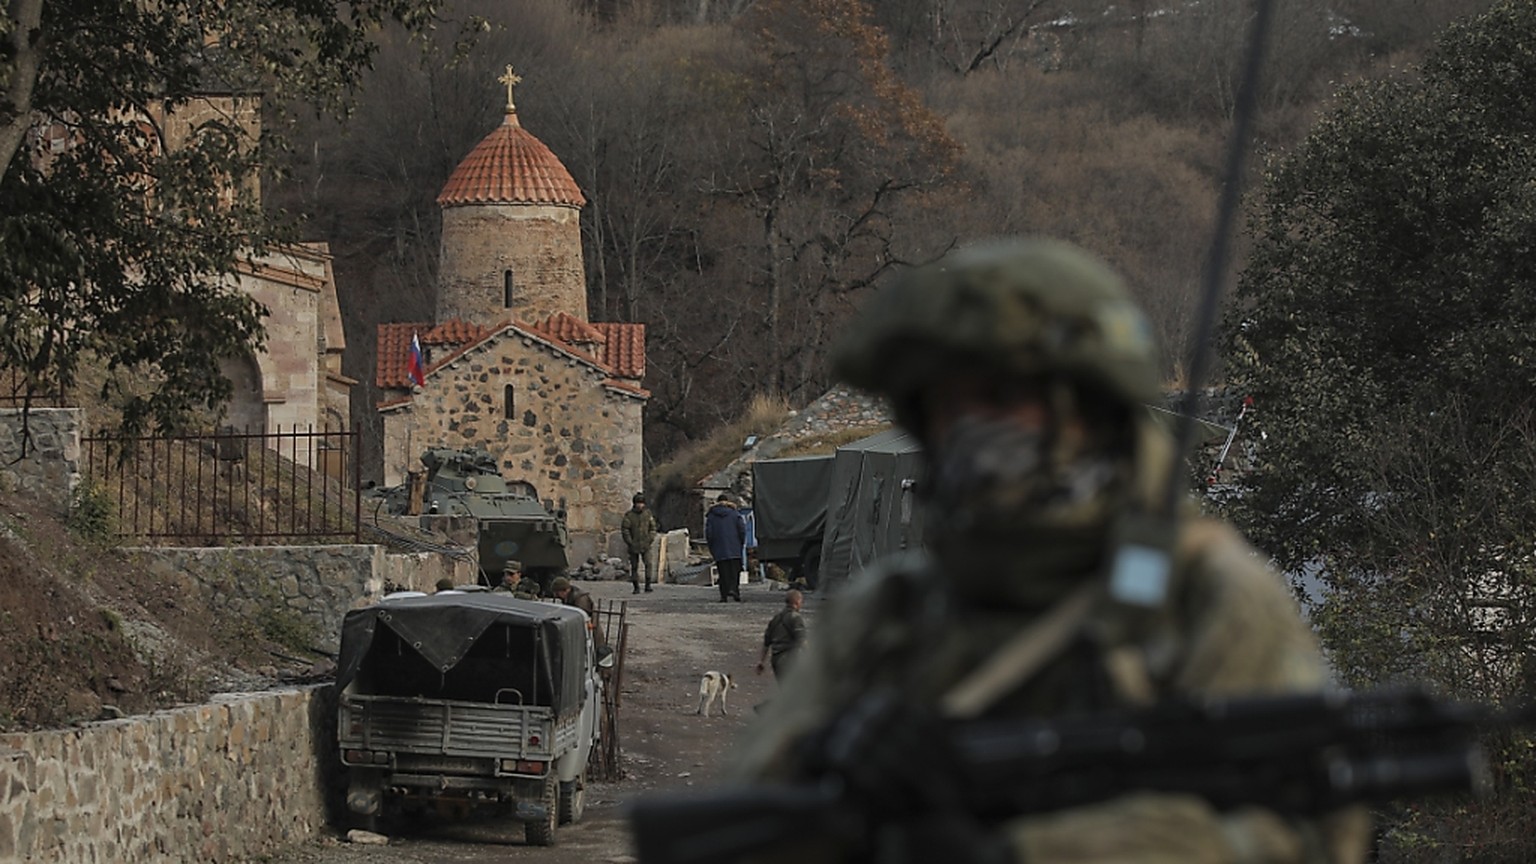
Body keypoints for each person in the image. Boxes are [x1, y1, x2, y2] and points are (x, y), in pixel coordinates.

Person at [730, 239, 1371, 863]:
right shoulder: (893, 611)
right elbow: (749, 814)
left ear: (1085, 408)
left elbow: (1307, 833)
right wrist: (829, 774)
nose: (970, 426)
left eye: (1002, 398)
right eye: (947, 403)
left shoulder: (1207, 596)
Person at [704, 493, 747, 602]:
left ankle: (724, 596)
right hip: (734, 548)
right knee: (734, 572)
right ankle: (734, 591)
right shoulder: (735, 514)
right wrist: (740, 544)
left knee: (723, 573)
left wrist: (712, 547)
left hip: (719, 549)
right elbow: (742, 530)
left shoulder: (711, 516)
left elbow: (709, 533)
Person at [756, 589, 807, 680]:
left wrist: (761, 661)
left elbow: (766, 642)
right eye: (801, 601)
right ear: (797, 601)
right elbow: (802, 641)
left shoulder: (776, 618)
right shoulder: (796, 618)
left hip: (776, 659)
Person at [550, 575, 606, 648]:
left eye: (557, 593)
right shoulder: (569, 597)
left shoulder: (580, 599)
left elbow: (581, 617)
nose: (557, 595)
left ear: (565, 590)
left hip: (590, 634)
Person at [622, 492, 659, 594]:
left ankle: (648, 585)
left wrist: (650, 539)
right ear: (634, 504)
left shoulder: (647, 514)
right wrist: (629, 541)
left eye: (641, 503)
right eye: (638, 503)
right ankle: (636, 587)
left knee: (649, 564)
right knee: (634, 566)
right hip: (633, 545)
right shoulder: (629, 516)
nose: (640, 505)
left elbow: (653, 528)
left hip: (645, 544)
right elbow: (625, 530)